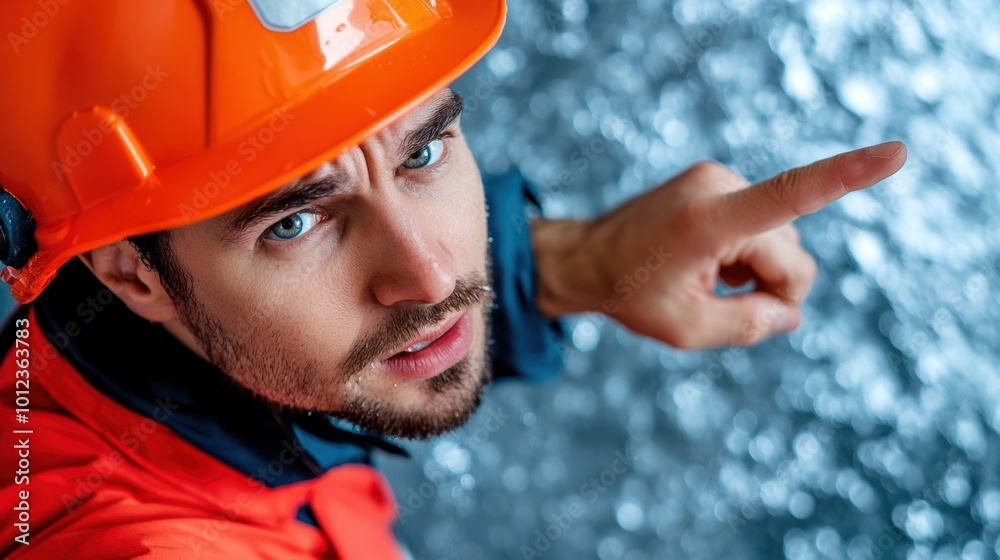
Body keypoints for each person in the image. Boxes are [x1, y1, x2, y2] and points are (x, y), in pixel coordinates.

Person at [0, 0, 906, 558]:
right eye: (294, 222)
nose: (430, 275)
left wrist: (576, 261)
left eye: (425, 150)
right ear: (130, 276)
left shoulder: (127, 349)